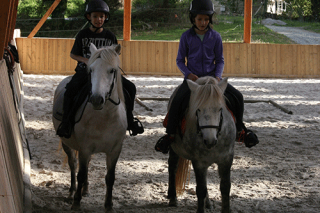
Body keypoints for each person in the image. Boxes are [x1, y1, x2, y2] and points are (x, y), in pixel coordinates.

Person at [155, 0, 259, 154]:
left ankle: (240, 130)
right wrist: (188, 74)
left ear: (210, 19)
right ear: (193, 19)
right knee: (177, 101)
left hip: (212, 80)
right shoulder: (186, 37)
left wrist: (217, 76)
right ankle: (170, 135)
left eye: (206, 19)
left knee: (237, 96)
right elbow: (179, 60)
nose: (203, 22)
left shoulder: (216, 36)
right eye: (199, 19)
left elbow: (220, 60)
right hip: (193, 81)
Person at [56, 0, 144, 138]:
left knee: (131, 88)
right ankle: (66, 123)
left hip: (107, 73)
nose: (99, 19)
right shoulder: (82, 35)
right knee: (70, 90)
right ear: (89, 17)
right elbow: (73, 54)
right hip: (85, 72)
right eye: (95, 16)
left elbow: (115, 55)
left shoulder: (110, 36)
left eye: (102, 17)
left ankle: (129, 120)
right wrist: (86, 60)